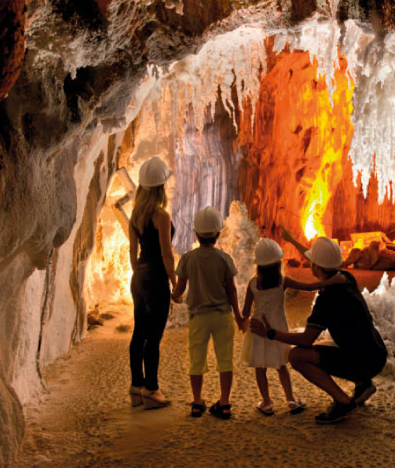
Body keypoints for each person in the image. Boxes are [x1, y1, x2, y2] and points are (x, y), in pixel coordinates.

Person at [251, 233, 388, 424]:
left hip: (364, 361)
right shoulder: (345, 278)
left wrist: (270, 333)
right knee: (327, 342)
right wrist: (291, 239)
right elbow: (318, 260)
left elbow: (306, 339)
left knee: (296, 356)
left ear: (316, 267)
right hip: (376, 351)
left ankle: (343, 401)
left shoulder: (327, 299)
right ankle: (363, 384)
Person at [171, 206, 243, 419]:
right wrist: (239, 316)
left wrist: (174, 296)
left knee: (196, 360)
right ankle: (225, 402)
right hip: (222, 316)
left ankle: (196, 402)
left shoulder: (187, 259)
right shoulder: (224, 258)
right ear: (218, 233)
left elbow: (179, 291)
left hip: (198, 317)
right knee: (225, 360)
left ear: (196, 233)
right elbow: (231, 290)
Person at [123, 156, 177, 409]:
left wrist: (138, 276)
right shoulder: (161, 216)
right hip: (156, 278)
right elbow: (167, 253)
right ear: (161, 188)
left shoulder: (136, 215)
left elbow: (132, 252)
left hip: (140, 277)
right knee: (154, 336)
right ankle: (152, 390)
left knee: (139, 332)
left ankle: (136, 386)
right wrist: (174, 281)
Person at [240, 238, 308, 416]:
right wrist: (326, 284)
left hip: (258, 329)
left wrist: (239, 320)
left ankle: (267, 402)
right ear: (278, 264)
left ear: (259, 266)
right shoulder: (282, 282)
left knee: (260, 368)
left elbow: (246, 312)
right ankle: (291, 400)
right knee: (281, 366)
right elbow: (308, 287)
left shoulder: (253, 284)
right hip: (278, 329)